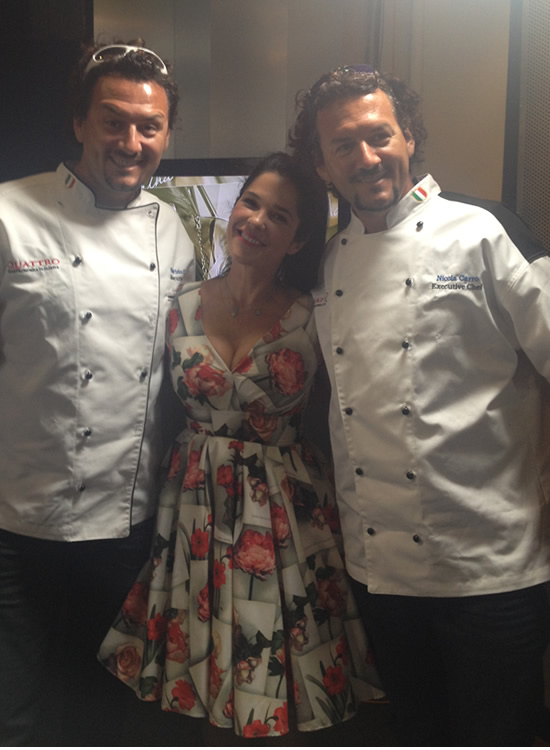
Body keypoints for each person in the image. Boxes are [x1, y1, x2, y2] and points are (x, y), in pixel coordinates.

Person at [289, 65, 550, 746]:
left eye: (380, 135)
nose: (366, 157)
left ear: (409, 137)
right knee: (413, 730)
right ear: (321, 165)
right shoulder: (328, 263)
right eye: (342, 145)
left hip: (492, 567)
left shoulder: (486, 230)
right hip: (379, 570)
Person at [98, 152, 383, 740]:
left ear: (297, 238)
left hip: (285, 509)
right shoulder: (180, 305)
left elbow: (348, 409)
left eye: (279, 215)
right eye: (250, 203)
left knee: (281, 653)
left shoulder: (315, 313)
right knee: (197, 652)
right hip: (193, 502)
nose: (256, 220)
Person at [0, 42, 195, 745]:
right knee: (13, 710)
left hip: (125, 526)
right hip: (16, 521)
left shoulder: (172, 231)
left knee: (103, 713)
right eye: (114, 121)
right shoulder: (9, 214)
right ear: (79, 122)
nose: (131, 142)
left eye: (150, 126)